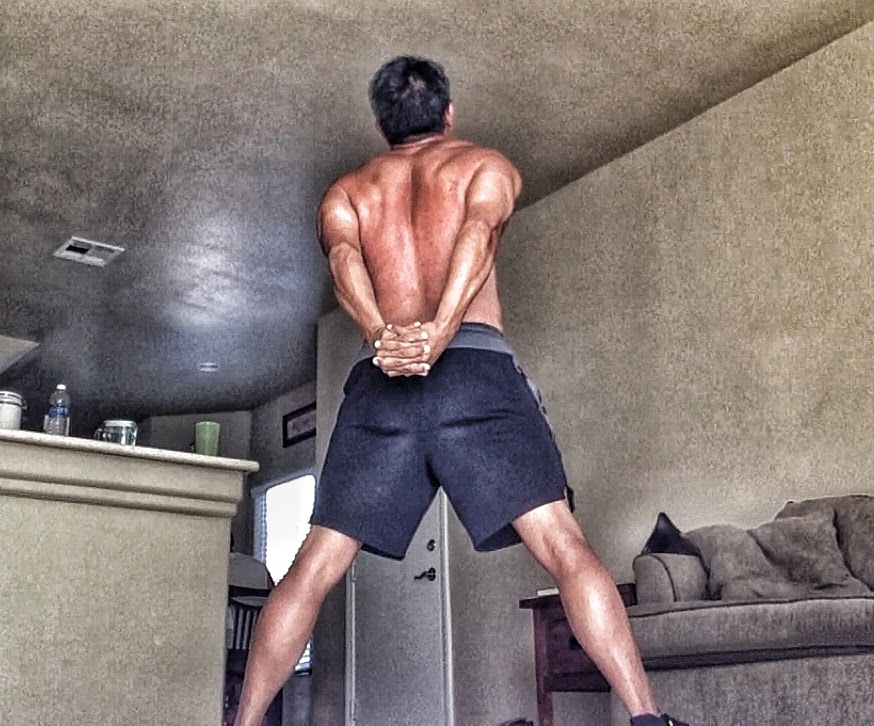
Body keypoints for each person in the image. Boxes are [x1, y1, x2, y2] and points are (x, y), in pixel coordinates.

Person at [234, 56, 688, 726]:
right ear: (447, 113)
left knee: (314, 566)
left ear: (380, 123)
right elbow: (477, 232)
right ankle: (647, 720)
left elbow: (344, 260)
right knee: (564, 547)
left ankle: (243, 723)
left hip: (381, 382)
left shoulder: (347, 193)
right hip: (474, 370)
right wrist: (443, 331)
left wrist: (384, 335)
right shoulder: (485, 167)